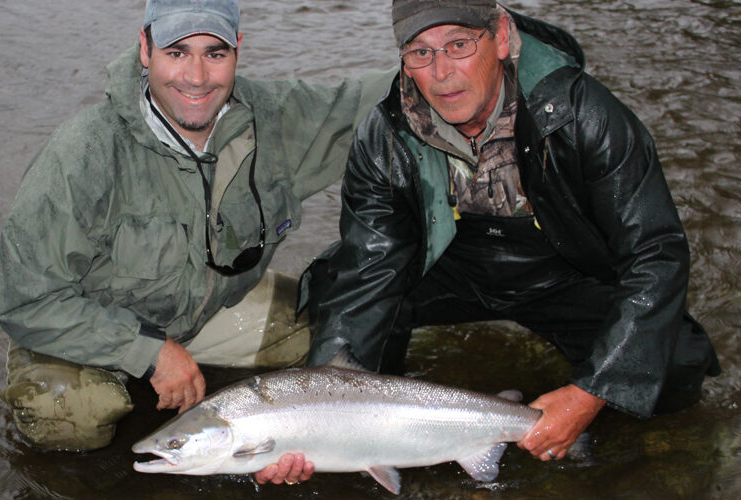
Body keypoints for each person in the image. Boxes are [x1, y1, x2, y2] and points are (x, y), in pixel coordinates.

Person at [295, 0, 721, 472]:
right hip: (448, 268)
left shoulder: (584, 115)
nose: (441, 73)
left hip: (566, 276)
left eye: (458, 45)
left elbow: (656, 254)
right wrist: (316, 412)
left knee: (677, 364)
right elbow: (367, 269)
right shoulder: (384, 135)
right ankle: (380, 430)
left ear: (500, 36)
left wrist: (590, 392)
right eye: (419, 53)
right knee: (334, 290)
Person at [0, 0, 391, 484]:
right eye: (177, 52)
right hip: (83, 324)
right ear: (145, 48)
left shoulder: (273, 118)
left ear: (238, 51)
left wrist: (489, 48)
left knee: (333, 330)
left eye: (215, 53)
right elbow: (26, 301)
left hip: (203, 317)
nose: (197, 76)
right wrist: (150, 353)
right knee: (74, 417)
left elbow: (375, 95)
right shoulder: (83, 152)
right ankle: (128, 389)